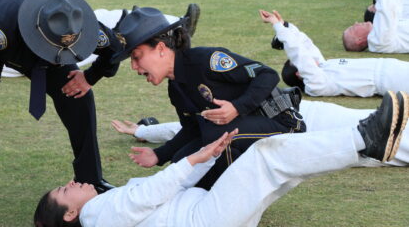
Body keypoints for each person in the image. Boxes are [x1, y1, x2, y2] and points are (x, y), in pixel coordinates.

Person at [34, 90, 408, 227]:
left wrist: (209, 157)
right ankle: (365, 139)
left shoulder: (102, 209)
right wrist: (196, 159)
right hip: (207, 217)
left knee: (286, 167)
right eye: (65, 190)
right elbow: (150, 193)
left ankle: (370, 145)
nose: (73, 183)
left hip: (209, 214)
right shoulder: (98, 215)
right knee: (266, 158)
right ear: (70, 213)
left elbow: (159, 195)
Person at [0, 0, 122, 225]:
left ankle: (91, 180)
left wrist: (89, 77)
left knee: (79, 95)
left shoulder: (78, 23)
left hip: (45, 43)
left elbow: (114, 49)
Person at [110, 7, 306, 190]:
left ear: (161, 48)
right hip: (237, 131)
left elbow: (267, 75)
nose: (134, 67)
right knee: (181, 160)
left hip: (282, 123)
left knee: (216, 135)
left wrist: (237, 107)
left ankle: (228, 202)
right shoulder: (176, 88)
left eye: (136, 57)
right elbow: (192, 129)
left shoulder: (206, 60)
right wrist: (159, 154)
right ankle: (204, 202)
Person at [112, 96, 409, 167]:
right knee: (385, 137)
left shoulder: (238, 101)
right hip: (312, 125)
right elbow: (196, 128)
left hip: (312, 119)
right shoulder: (232, 110)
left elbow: (194, 127)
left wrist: (145, 130)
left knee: (387, 132)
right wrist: (145, 131)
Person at [260, 9, 409, 97]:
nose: (308, 58)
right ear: (300, 73)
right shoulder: (318, 84)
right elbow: (299, 53)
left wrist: (286, 26)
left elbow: (305, 45)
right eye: (299, 63)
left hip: (391, 67)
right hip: (387, 79)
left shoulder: (325, 66)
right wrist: (278, 28)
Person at [343, 0, 409, 53]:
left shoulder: (377, 34)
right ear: (359, 40)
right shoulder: (378, 41)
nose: (356, 23)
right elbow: (386, 6)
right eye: (352, 28)